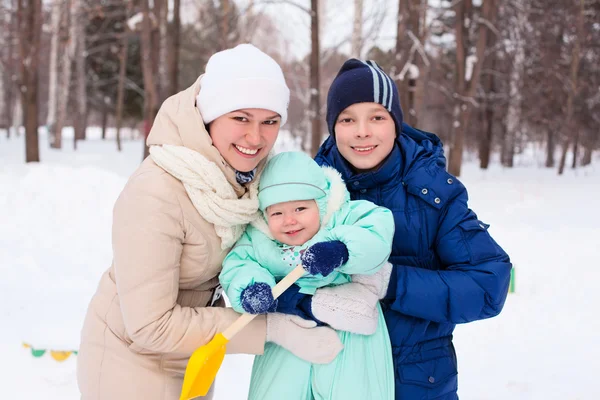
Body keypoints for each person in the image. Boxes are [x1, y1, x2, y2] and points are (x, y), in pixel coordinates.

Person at [76, 44, 343, 400]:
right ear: (209, 115)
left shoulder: (244, 182)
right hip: (131, 362)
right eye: (240, 118)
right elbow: (150, 326)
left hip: (195, 355)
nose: (256, 137)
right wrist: (271, 329)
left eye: (270, 121)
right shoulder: (158, 192)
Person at [280, 59, 512, 399]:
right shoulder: (308, 193)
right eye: (347, 119)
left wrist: (391, 283)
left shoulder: (434, 194)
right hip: (334, 379)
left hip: (416, 384)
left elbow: (488, 285)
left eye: (377, 117)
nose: (362, 131)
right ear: (333, 127)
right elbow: (272, 271)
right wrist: (311, 304)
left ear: (396, 124)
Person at [219, 151, 395, 400]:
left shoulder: (342, 219)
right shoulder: (260, 239)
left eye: (300, 208)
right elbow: (239, 263)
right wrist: (252, 288)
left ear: (321, 204)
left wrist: (342, 250)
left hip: (350, 345)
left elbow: (377, 231)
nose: (289, 220)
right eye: (277, 213)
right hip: (289, 342)